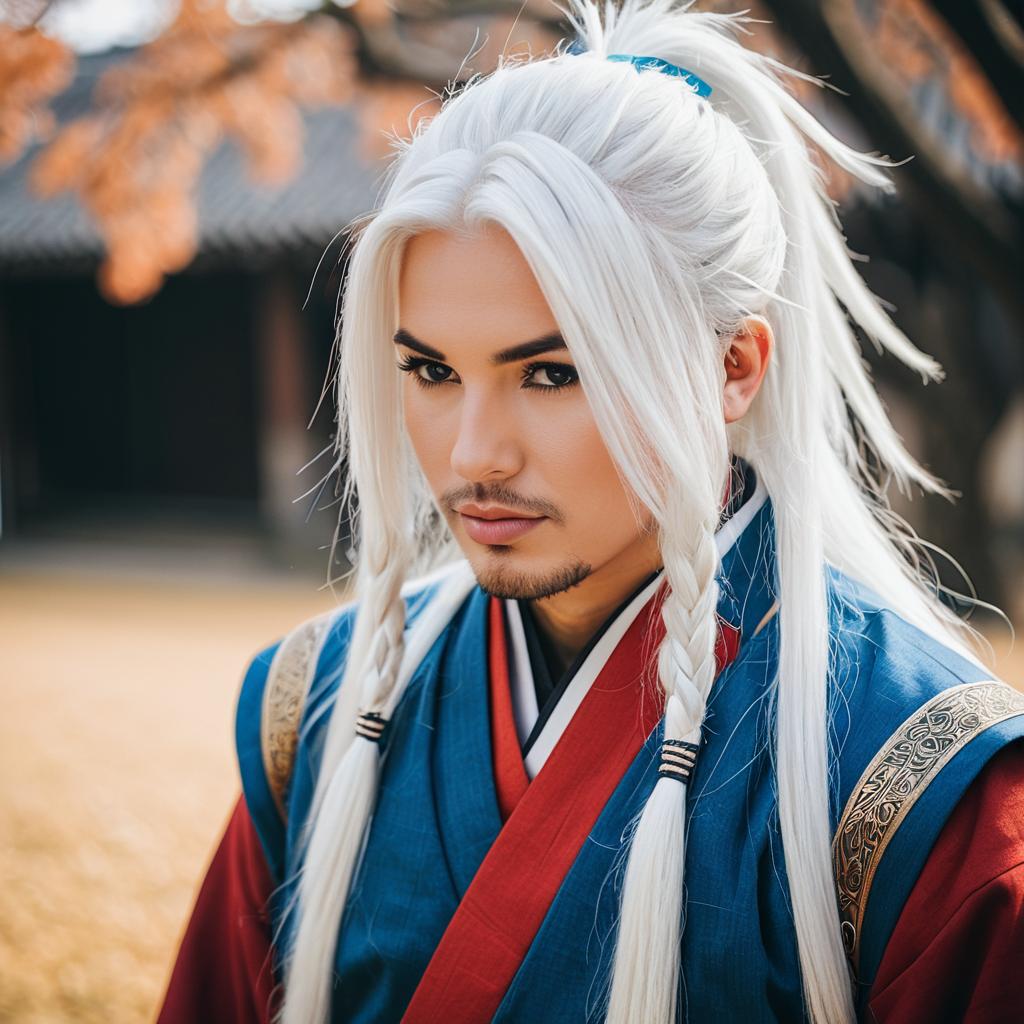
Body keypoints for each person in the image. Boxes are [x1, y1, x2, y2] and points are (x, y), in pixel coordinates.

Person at [157, 2, 1024, 1022]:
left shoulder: (919, 786)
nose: (474, 453)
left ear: (732, 366)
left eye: (553, 372)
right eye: (431, 370)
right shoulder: (312, 710)